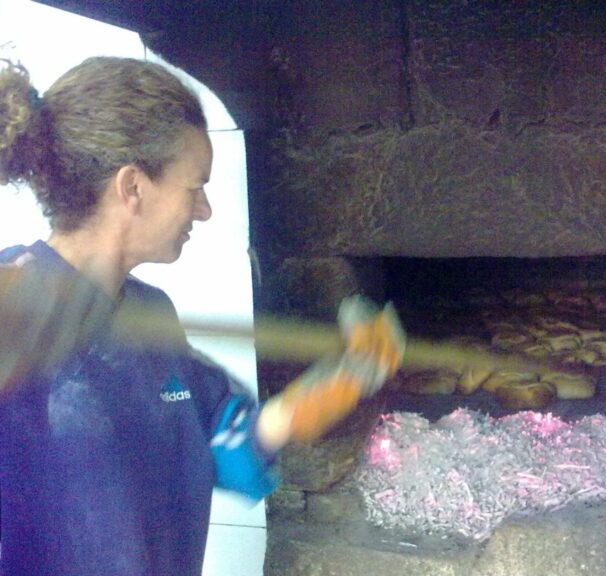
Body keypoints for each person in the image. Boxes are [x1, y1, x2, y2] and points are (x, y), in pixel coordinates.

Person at [0, 57, 404, 576]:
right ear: (133, 187)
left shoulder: (150, 313)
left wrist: (349, 376)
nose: (206, 209)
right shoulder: (13, 306)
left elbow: (229, 440)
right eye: (195, 188)